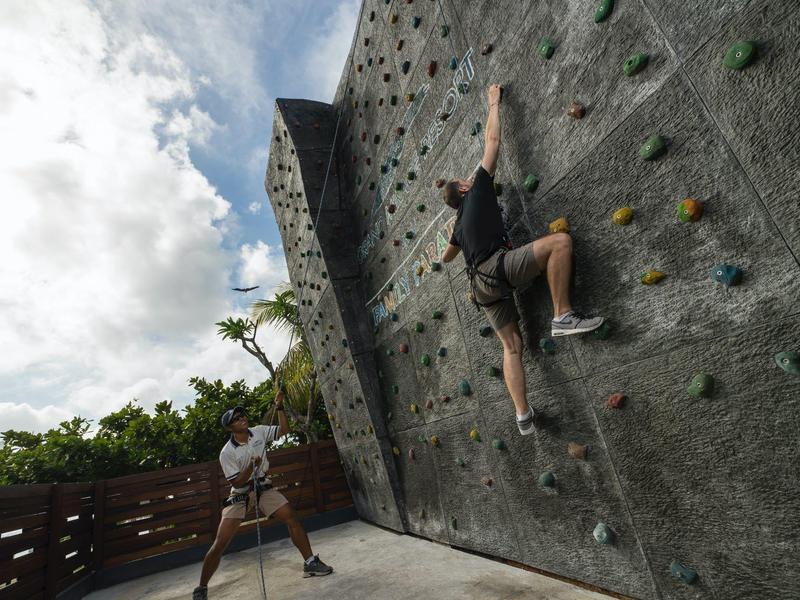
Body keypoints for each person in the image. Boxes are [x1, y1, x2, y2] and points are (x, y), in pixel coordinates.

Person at [440, 83, 605, 436]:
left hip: (479, 287)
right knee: (559, 243)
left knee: (512, 348)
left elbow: (445, 257)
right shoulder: (479, 190)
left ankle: (522, 416)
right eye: (464, 178)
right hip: (495, 270)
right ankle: (562, 315)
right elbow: (493, 144)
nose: (470, 176)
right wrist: (495, 103)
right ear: (464, 188)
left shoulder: (457, 225)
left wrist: (449, 239)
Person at [192, 389, 333, 600]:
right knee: (221, 542)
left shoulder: (258, 431)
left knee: (290, 516)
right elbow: (237, 481)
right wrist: (251, 466)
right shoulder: (227, 452)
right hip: (240, 494)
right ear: (230, 427)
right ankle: (202, 588)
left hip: (263, 487)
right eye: (237, 419)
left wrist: (279, 406)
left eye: (242, 415)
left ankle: (310, 562)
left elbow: (284, 429)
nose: (242, 419)